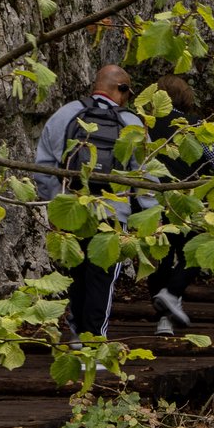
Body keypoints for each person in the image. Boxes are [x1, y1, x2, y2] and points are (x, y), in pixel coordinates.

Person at [31, 64, 148, 340]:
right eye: (127, 93)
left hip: (72, 210)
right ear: (120, 89)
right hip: (112, 213)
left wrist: (57, 206)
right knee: (102, 280)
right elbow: (144, 176)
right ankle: (94, 340)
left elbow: (44, 166)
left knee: (77, 273)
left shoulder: (65, 114)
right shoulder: (131, 123)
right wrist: (148, 216)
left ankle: (75, 333)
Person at [146, 76, 214, 334]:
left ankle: (163, 319)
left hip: (152, 199)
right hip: (190, 199)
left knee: (158, 257)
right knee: (195, 252)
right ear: (186, 97)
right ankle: (172, 295)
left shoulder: (145, 124)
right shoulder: (196, 126)